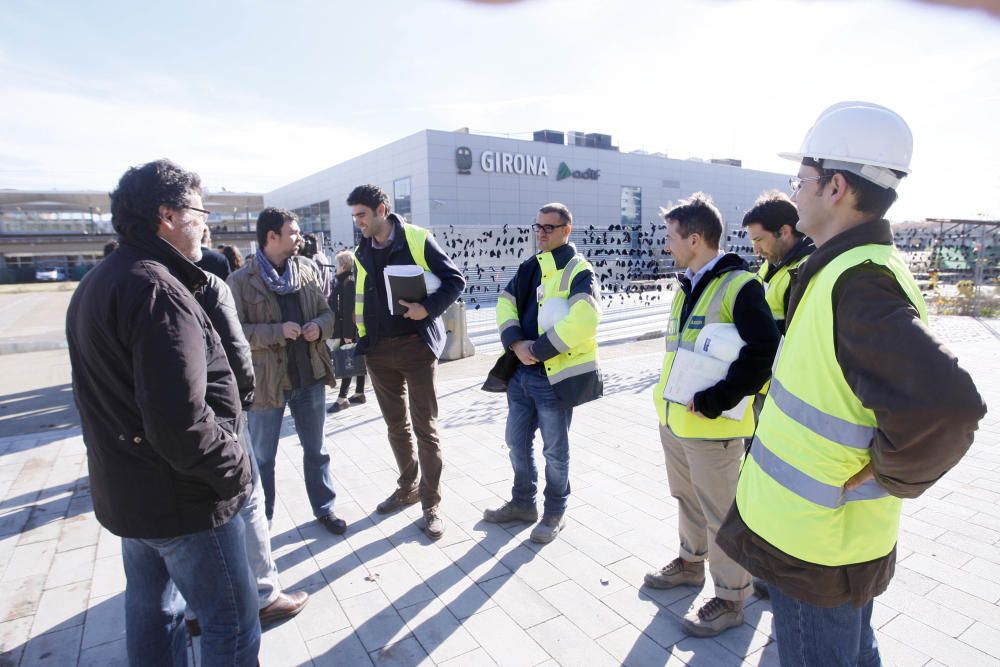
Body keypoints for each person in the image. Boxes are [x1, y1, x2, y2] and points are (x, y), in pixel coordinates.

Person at [717, 102, 987, 666]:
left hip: (817, 548)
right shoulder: (850, 265)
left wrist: (892, 473)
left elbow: (951, 406)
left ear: (836, 186)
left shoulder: (858, 281)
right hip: (818, 539)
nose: (797, 191)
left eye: (803, 180)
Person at [66, 159, 259, 666]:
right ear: (167, 216)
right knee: (233, 627)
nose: (206, 223)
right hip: (183, 500)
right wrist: (235, 468)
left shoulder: (100, 280)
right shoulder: (157, 290)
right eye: (200, 211)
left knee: (154, 614)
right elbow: (182, 423)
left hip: (133, 492)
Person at [646, 192, 779, 637]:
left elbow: (764, 354)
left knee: (722, 512)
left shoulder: (740, 285)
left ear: (696, 238)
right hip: (677, 421)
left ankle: (731, 597)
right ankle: (689, 564)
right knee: (687, 500)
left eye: (672, 237)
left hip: (713, 425)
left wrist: (715, 400)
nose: (668, 245)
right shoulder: (689, 282)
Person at [186, 270, 309, 635]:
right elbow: (237, 346)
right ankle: (261, 598)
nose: (205, 225)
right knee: (247, 498)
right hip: (216, 419)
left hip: (151, 441)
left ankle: (194, 609)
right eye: (198, 214)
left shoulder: (107, 283)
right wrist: (244, 400)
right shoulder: (213, 281)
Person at [348, 183, 465, 540]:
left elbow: (455, 280)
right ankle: (407, 487)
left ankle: (431, 502)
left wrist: (426, 309)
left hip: (416, 347)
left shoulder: (417, 238)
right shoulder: (360, 251)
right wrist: (362, 338)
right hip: (378, 352)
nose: (358, 223)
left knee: (424, 428)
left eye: (362, 215)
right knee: (395, 427)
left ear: (382, 209)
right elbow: (360, 296)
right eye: (354, 216)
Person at [483, 203, 602, 543]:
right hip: (521, 375)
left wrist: (537, 349)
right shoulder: (530, 266)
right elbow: (504, 301)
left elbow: (586, 318)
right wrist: (516, 342)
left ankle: (554, 511)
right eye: (538, 226)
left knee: (554, 450)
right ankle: (522, 503)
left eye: (549, 227)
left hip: (554, 377)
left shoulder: (579, 270)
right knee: (515, 443)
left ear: (567, 229)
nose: (542, 233)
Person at [227, 207, 346, 535]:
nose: (300, 238)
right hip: (267, 384)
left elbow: (327, 312)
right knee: (262, 459)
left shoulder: (306, 270)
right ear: (271, 237)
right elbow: (233, 332)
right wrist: (277, 332)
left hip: (309, 377)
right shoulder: (239, 281)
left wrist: (318, 328)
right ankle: (261, 521)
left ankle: (325, 508)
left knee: (317, 450)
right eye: (292, 232)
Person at [741, 191, 815, 335]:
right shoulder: (768, 266)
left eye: (758, 240)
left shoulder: (805, 271)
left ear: (784, 232)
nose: (755, 249)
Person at [328, 249, 367, 413]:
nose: (336, 267)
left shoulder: (348, 282)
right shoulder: (347, 281)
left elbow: (350, 310)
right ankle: (359, 393)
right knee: (355, 358)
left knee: (347, 360)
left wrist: (347, 334)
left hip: (347, 330)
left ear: (344, 265)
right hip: (348, 329)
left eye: (338, 264)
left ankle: (342, 398)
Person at [300, 233, 334, 299]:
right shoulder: (322, 256)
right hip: (324, 297)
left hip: (317, 300)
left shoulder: (313, 260)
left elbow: (314, 283)